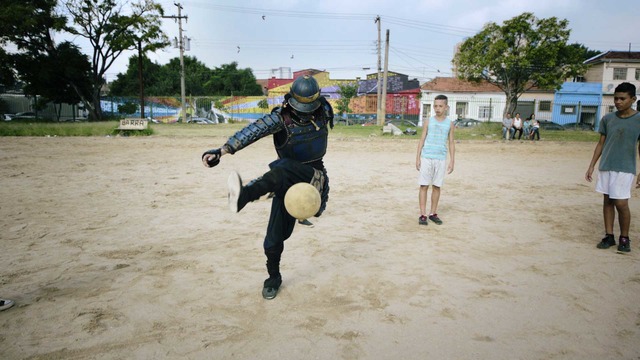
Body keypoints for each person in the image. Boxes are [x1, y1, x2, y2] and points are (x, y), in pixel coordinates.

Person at [202, 75, 333, 299]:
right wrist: (222, 151)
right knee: (272, 239)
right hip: (286, 182)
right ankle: (273, 277)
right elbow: (253, 131)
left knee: (281, 167)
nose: (306, 112)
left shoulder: (324, 110)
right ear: (290, 100)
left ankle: (246, 195)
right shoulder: (280, 119)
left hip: (314, 180)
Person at [585, 82, 640, 253]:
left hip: (625, 168)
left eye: (622, 98)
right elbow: (601, 144)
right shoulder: (607, 119)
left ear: (633, 99)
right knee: (608, 201)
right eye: (616, 98)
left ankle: (625, 237)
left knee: (621, 203)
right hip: (606, 165)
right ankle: (609, 236)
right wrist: (592, 165)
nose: (618, 102)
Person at [416, 94, 455, 226]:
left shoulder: (449, 124)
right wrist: (418, 158)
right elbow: (422, 139)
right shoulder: (428, 121)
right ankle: (423, 214)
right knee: (424, 185)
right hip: (427, 157)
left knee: (437, 186)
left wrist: (452, 161)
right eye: (435, 106)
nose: (437, 109)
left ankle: (433, 213)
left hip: (440, 158)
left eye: (440, 106)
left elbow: (451, 143)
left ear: (446, 107)